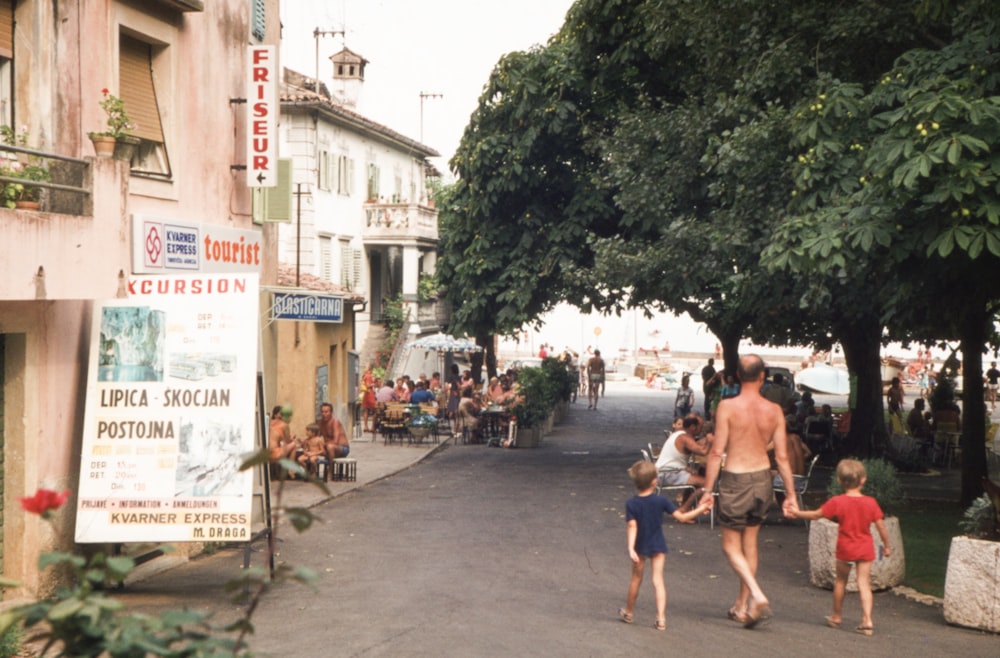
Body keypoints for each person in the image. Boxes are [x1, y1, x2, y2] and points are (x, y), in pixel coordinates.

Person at [698, 354, 797, 628]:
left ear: (738, 376)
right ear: (763, 376)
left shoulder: (727, 407)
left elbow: (717, 452)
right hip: (762, 478)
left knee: (730, 546)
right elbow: (783, 457)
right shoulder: (774, 411)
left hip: (736, 479)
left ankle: (756, 595)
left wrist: (707, 490)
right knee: (750, 544)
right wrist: (790, 494)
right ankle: (742, 606)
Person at [789, 459, 892, 636]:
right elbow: (881, 525)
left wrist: (796, 512)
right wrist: (886, 545)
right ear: (863, 480)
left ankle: (836, 616)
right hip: (865, 546)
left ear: (839, 481)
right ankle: (867, 620)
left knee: (841, 581)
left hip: (846, 546)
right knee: (864, 583)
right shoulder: (870, 502)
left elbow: (816, 514)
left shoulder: (837, 502)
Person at [619, 460, 711, 631]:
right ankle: (661, 618)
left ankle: (629, 612)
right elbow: (682, 517)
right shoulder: (661, 501)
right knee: (658, 581)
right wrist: (701, 508)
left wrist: (631, 548)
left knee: (636, 579)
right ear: (655, 481)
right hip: (657, 544)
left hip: (640, 545)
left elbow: (632, 526)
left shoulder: (631, 504)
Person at [654, 416, 711, 513]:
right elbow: (703, 451)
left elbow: (695, 444)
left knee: (696, 477)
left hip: (666, 470)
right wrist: (710, 438)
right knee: (707, 484)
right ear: (693, 427)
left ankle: (685, 506)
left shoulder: (678, 433)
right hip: (669, 472)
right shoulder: (684, 437)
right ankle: (684, 509)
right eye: (701, 427)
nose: (702, 430)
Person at [360, 365, 377, 433]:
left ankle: (365, 426)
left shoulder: (365, 376)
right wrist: (374, 384)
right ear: (371, 370)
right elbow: (368, 385)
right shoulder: (369, 376)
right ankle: (372, 427)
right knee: (375, 410)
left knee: (366, 410)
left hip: (366, 394)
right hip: (370, 394)